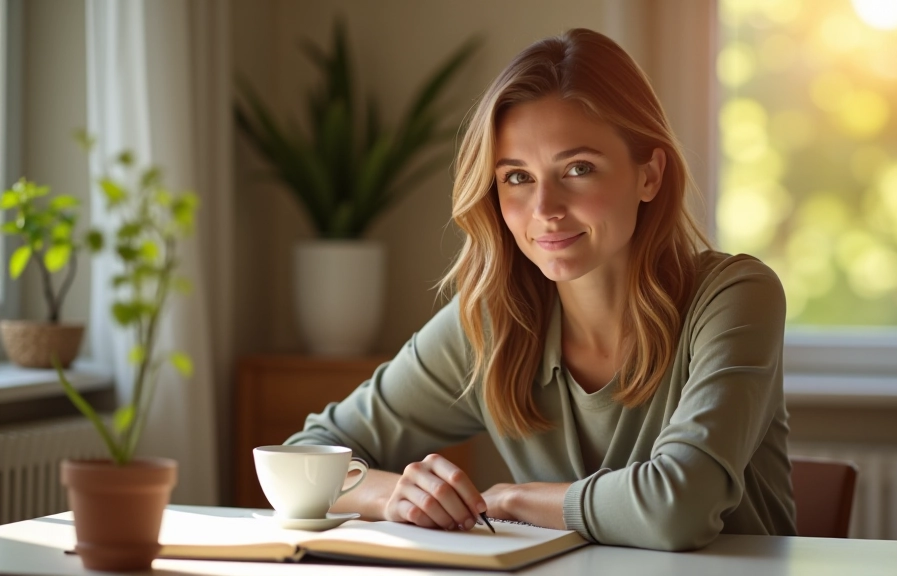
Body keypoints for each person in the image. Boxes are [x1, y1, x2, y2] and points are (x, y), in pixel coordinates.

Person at [286, 27, 796, 551]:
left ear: (649, 175)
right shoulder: (491, 323)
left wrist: (512, 501)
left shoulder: (736, 296)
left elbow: (678, 509)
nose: (545, 209)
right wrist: (392, 495)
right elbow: (306, 455)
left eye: (578, 169)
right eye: (516, 177)